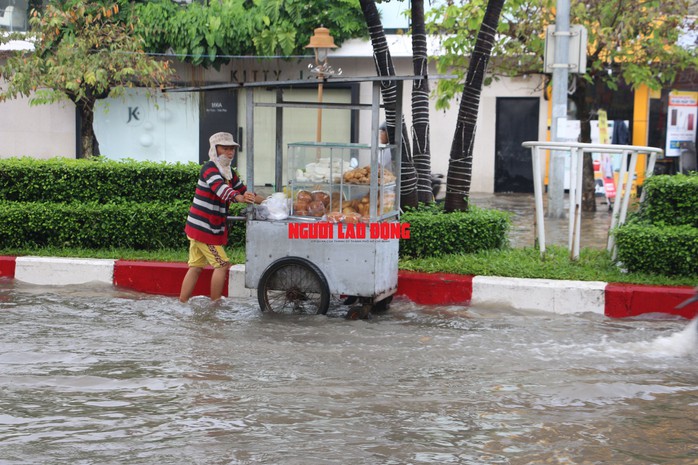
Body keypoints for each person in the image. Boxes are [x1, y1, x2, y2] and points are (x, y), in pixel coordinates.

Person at [179, 131, 264, 303]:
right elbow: (221, 190)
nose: (229, 152)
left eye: (231, 149)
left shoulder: (229, 172)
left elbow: (242, 190)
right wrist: (240, 198)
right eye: (225, 148)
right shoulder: (209, 169)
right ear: (214, 149)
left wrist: (267, 201)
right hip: (204, 228)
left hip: (198, 227)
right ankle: (215, 304)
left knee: (195, 267)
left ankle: (182, 302)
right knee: (222, 265)